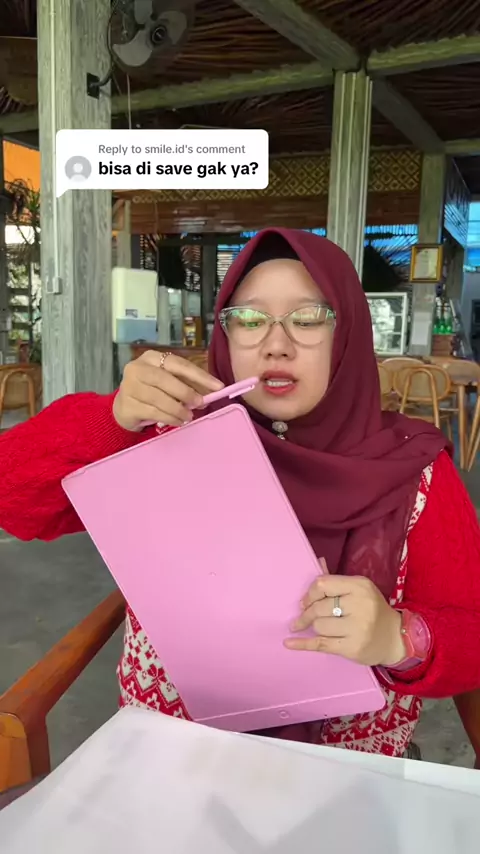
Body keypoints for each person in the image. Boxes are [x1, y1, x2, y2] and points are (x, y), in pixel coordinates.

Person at [1, 227, 480, 758]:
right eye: (249, 319)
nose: (276, 343)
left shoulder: (415, 470)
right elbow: (14, 500)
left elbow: (471, 637)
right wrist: (111, 418)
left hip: (347, 777)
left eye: (307, 318)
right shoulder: (168, 438)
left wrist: (398, 636)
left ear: (348, 331)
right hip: (168, 761)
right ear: (225, 335)